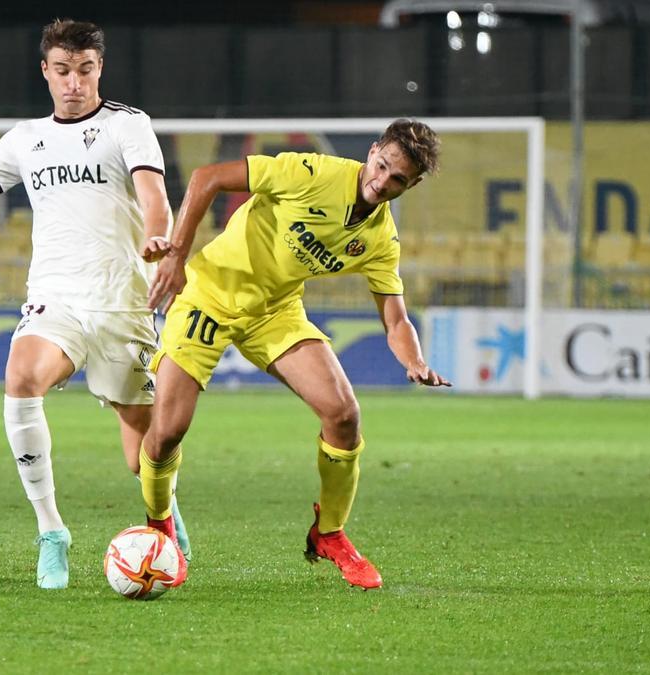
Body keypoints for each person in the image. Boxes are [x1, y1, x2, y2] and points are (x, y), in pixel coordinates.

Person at [0, 19, 190, 590]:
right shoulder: (26, 139)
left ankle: (163, 511)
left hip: (123, 304)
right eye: (62, 70)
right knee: (21, 376)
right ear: (45, 71)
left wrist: (158, 236)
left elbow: (155, 198)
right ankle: (52, 531)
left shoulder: (128, 126)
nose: (73, 82)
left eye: (84, 69)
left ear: (99, 68)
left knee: (145, 452)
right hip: (58, 299)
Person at [139, 118, 451, 590]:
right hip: (210, 295)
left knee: (344, 415)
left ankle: (330, 533)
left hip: (275, 312)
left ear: (413, 184)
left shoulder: (380, 239)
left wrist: (414, 360)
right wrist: (176, 255)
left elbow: (395, 319)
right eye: (382, 165)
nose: (382, 182)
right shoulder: (312, 173)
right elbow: (207, 177)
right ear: (372, 152)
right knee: (167, 432)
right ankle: (160, 522)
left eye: (397, 180)